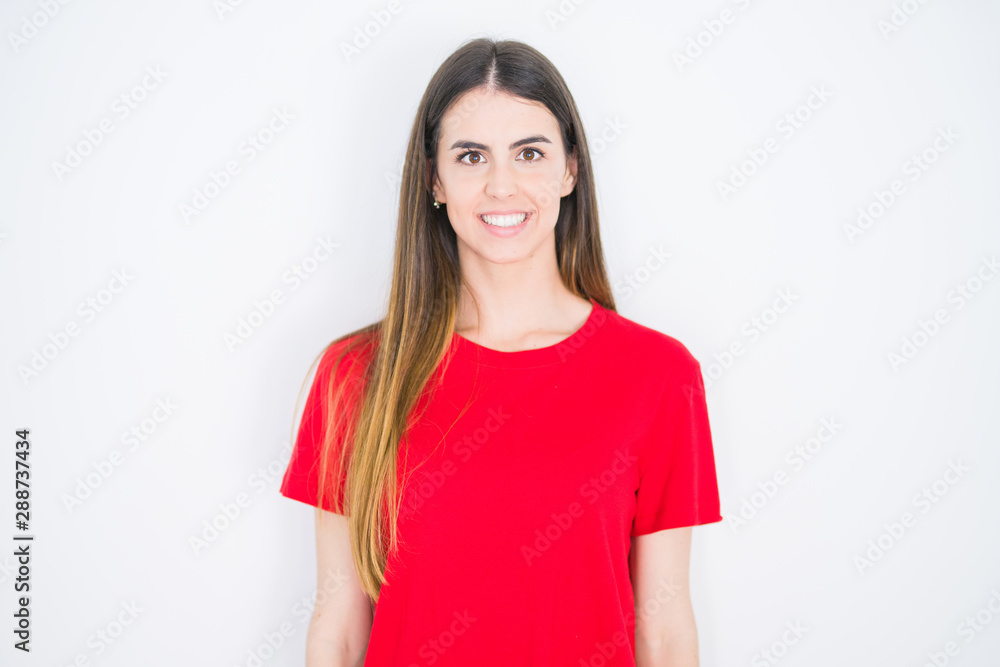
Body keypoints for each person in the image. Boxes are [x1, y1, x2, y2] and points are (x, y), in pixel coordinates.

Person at [279, 36, 723, 667]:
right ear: (435, 179)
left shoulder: (658, 375)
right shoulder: (353, 376)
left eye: (530, 152)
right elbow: (339, 628)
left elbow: (665, 629)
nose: (501, 185)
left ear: (569, 170)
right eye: (470, 156)